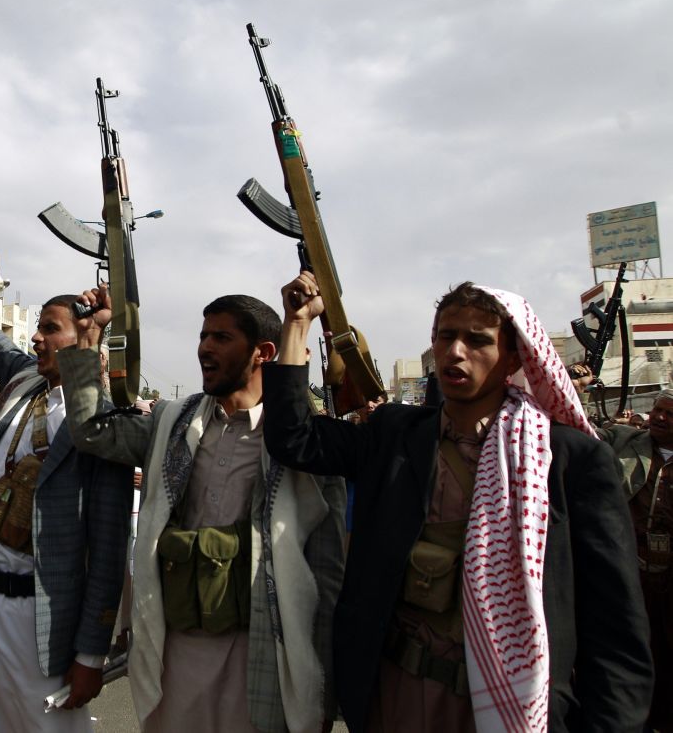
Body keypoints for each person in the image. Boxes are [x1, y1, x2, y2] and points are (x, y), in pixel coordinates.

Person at [263, 272, 653, 731]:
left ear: (512, 356)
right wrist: (296, 325)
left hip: (511, 707)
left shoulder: (568, 460)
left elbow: (615, 629)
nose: (456, 352)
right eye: (446, 336)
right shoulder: (396, 435)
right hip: (393, 693)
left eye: (477, 340)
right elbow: (295, 439)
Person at [58, 286, 346, 733]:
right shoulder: (174, 422)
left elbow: (326, 570)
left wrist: (323, 692)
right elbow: (95, 433)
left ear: (263, 353)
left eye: (221, 338)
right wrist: (89, 337)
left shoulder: (303, 444)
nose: (204, 348)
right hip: (176, 654)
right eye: (203, 335)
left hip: (262, 655)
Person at [0, 207, 132, 733]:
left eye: (51, 329)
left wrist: (91, 655)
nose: (37, 339)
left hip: (39, 620)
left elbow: (110, 545)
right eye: (38, 329)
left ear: (82, 334)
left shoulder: (105, 419)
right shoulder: (25, 379)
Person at [598, 390, 673, 729]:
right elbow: (579, 432)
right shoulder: (625, 440)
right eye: (657, 409)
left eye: (669, 414)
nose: (658, 417)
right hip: (630, 570)